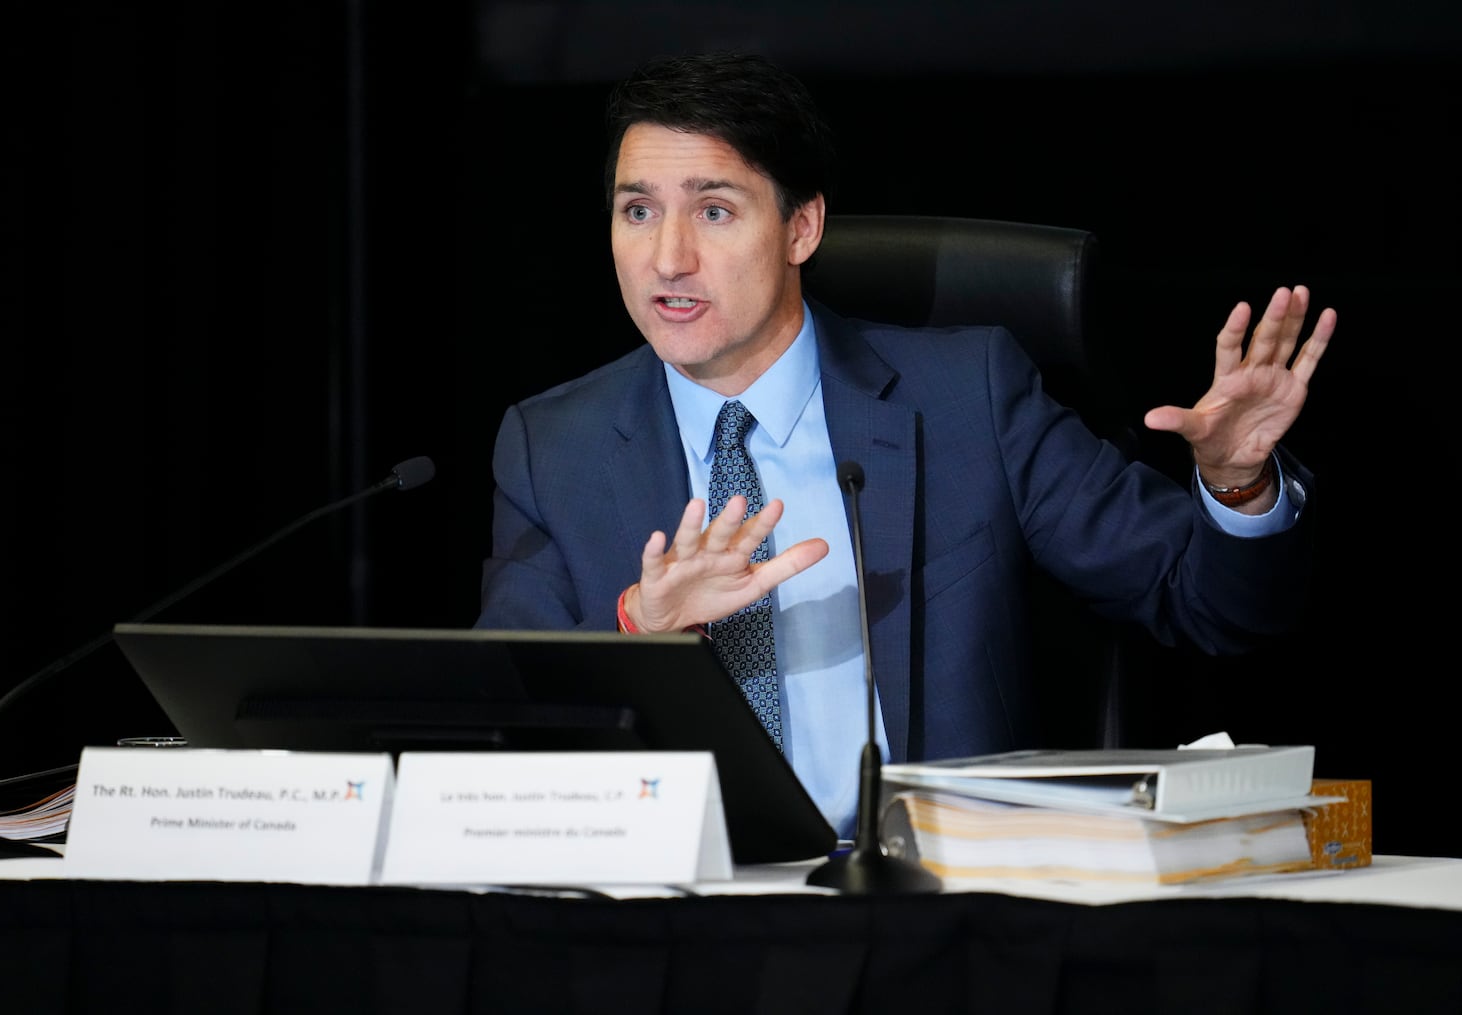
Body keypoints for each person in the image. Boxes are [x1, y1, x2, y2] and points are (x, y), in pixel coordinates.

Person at [474, 51, 1336, 839]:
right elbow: (500, 731)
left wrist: (1237, 485)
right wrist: (640, 626)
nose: (668, 257)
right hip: (682, 915)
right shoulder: (556, 446)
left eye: (713, 209)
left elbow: (1209, 601)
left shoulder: (967, 400)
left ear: (802, 227)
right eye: (637, 211)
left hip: (934, 909)